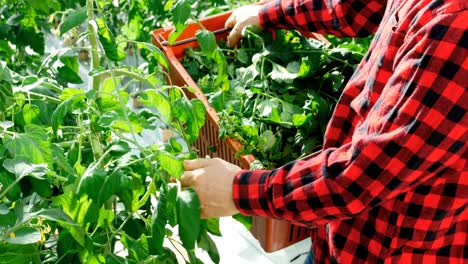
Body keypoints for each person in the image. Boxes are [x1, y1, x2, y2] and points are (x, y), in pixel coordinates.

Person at [181, 0, 467, 263]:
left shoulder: (454, 27)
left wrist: (238, 191)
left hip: (387, 248)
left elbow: (363, 174)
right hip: (339, 230)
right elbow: (357, 9)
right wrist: (272, 13)